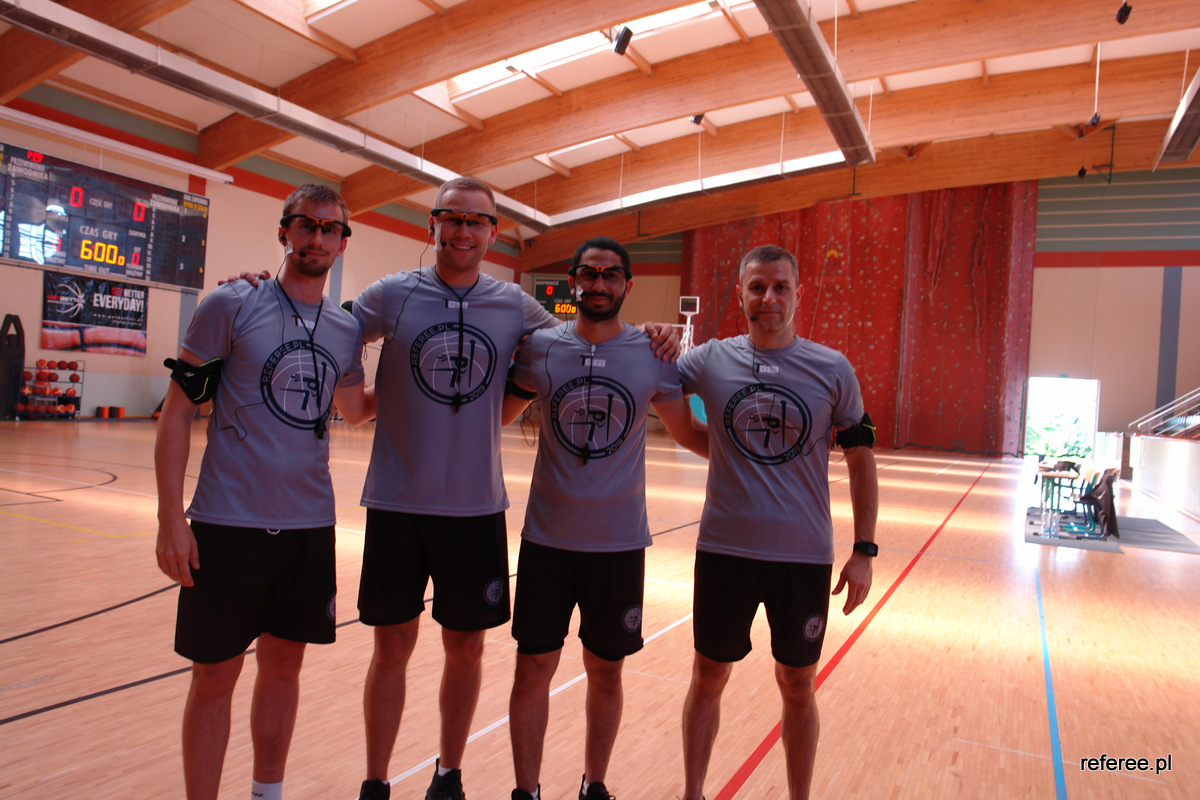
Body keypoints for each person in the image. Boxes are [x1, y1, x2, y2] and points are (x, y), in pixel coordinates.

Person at [350, 179, 680, 800]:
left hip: (476, 509)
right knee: (391, 646)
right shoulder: (392, 293)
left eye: (476, 221)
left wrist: (656, 333)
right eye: (452, 218)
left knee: (466, 651)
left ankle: (448, 775)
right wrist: (270, 289)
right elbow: (328, 331)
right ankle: (376, 782)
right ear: (432, 224)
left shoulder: (514, 306)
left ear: (493, 232)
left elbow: (584, 338)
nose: (463, 230)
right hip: (396, 503)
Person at [154, 183, 374, 800]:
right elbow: (177, 413)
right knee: (214, 677)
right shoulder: (230, 304)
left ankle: (265, 794)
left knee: (283, 668)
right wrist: (171, 519)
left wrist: (424, 381)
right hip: (226, 527)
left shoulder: (345, 330)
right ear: (284, 232)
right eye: (306, 225)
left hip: (307, 529)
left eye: (330, 229)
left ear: (342, 242)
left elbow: (355, 410)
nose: (317, 237)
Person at [500, 237, 708, 800]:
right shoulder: (541, 349)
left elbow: (688, 434)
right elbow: (496, 416)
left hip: (618, 545)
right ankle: (526, 791)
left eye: (610, 275)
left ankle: (594, 785)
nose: (598, 284)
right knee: (532, 669)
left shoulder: (651, 353)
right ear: (573, 281)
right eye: (588, 274)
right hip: (547, 541)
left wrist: (760, 464)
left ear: (627, 285)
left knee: (607, 671)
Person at [676, 244, 879, 800]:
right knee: (708, 676)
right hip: (725, 552)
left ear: (797, 293)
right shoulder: (709, 360)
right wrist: (657, 334)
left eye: (780, 287)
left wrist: (864, 550)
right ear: (740, 294)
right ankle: (692, 794)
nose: (769, 298)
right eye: (758, 287)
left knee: (797, 683)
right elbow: (651, 376)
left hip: (803, 556)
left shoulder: (832, 368)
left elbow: (861, 459)